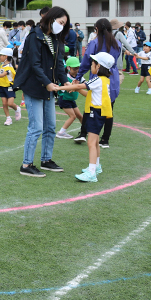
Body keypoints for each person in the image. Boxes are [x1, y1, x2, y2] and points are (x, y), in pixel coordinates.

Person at [14, 7, 70, 177]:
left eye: (64, 24)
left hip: (49, 89)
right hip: (34, 87)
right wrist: (47, 83)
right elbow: (34, 64)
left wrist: (65, 80)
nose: (62, 26)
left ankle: (46, 160)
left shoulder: (55, 38)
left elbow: (59, 64)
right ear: (51, 19)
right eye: (60, 22)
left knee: (50, 126)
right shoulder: (34, 35)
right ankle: (26, 164)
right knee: (36, 127)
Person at [63, 52, 115, 182]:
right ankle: (96, 166)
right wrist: (74, 88)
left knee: (91, 143)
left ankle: (92, 173)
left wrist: (60, 87)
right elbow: (87, 93)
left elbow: (81, 86)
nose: (91, 65)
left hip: (95, 113)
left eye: (93, 63)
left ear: (98, 66)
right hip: (99, 113)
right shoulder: (103, 80)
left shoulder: (97, 80)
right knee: (95, 141)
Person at [73, 19, 124, 148]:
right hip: (112, 78)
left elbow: (86, 61)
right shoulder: (117, 43)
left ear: (96, 29)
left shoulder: (94, 43)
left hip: (98, 76)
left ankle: (83, 133)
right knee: (109, 108)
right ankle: (105, 139)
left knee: (90, 105)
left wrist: (78, 76)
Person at [0, 47, 21, 126]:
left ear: (6, 56)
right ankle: (8, 118)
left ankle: (17, 109)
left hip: (9, 87)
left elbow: (2, 75)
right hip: (2, 87)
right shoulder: (2, 66)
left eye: (1, 55)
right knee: (4, 104)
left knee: (10, 103)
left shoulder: (9, 67)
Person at [55, 56, 85, 139]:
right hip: (64, 100)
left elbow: (85, 83)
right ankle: (61, 132)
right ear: (68, 68)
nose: (77, 70)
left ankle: (85, 130)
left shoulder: (79, 77)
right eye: (74, 69)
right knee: (73, 116)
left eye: (78, 68)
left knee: (80, 116)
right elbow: (66, 89)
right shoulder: (65, 78)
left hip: (71, 100)